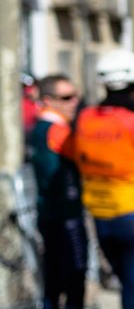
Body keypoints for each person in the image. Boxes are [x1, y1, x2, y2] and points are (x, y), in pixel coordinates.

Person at [64, 49, 134, 309]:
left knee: (122, 277)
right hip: (132, 210)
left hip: (98, 211)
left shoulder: (85, 117)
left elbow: (75, 154)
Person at [25, 74, 87, 309]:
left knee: (52, 282)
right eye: (67, 97)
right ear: (48, 100)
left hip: (48, 214)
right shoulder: (58, 130)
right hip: (65, 215)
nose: (74, 102)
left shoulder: (38, 128)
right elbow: (84, 159)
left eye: (75, 96)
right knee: (74, 282)